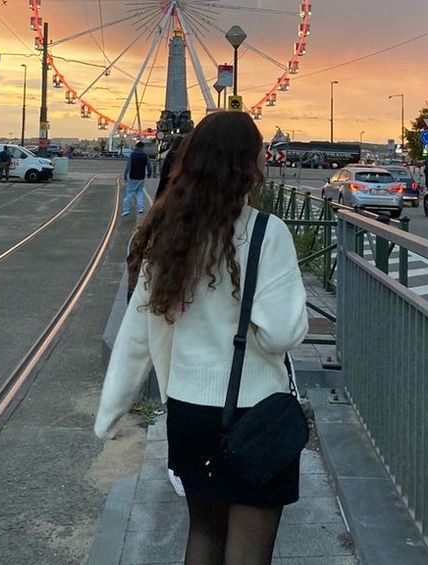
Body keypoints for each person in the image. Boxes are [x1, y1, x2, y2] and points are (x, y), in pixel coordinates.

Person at [95, 111, 309, 565]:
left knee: (205, 535)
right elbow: (281, 335)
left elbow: (137, 332)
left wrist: (110, 411)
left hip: (190, 411)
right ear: (251, 164)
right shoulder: (267, 233)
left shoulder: (167, 234)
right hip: (256, 413)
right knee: (248, 550)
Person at [121, 141, 152, 216]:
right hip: (141, 177)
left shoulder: (132, 155)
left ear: (136, 147)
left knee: (129, 193)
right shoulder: (145, 156)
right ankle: (141, 208)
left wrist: (125, 175)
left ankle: (126, 210)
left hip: (133, 177)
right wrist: (149, 174)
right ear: (143, 147)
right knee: (140, 193)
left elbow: (128, 167)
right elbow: (149, 166)